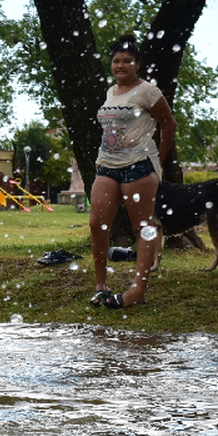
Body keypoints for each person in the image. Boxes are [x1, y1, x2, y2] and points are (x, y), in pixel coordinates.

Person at [89, 33, 176, 309]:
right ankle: (101, 286)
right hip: (107, 165)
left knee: (143, 227)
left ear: (137, 64)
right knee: (97, 225)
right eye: (116, 61)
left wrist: (159, 161)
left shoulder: (148, 91)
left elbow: (168, 124)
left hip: (139, 166)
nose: (120, 65)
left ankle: (138, 288)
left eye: (127, 61)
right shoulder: (110, 92)